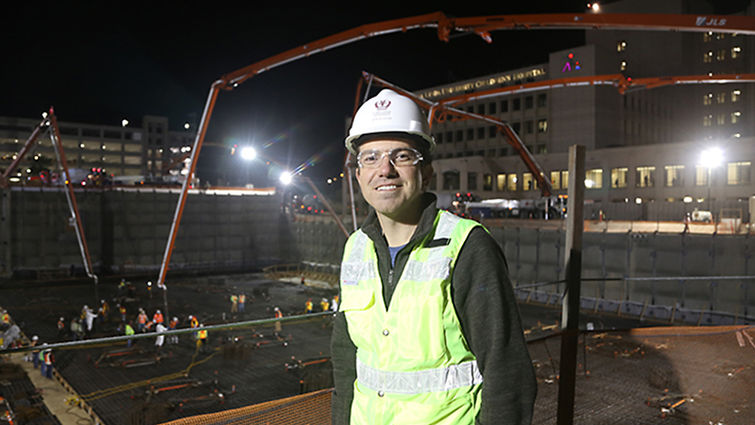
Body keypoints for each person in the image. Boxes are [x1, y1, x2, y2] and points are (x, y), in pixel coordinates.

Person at [331, 89, 536, 425]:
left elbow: (507, 374)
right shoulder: (355, 249)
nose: (384, 169)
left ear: (426, 172)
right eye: (370, 157)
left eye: (401, 156)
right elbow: (345, 361)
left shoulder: (467, 248)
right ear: (358, 175)